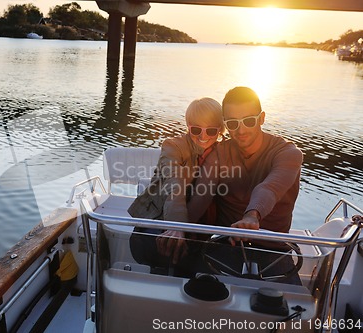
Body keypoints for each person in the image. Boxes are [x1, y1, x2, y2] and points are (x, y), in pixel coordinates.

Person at [180, 86, 304, 283]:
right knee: (194, 292)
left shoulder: (288, 154)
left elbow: (269, 188)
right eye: (232, 123)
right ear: (225, 125)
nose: (241, 130)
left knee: (291, 308)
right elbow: (201, 197)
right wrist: (178, 229)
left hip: (273, 249)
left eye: (249, 121)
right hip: (225, 244)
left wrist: (252, 215)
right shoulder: (219, 153)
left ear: (261, 118)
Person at [128, 97, 224, 274]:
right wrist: (177, 227)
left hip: (199, 230)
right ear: (187, 125)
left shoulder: (223, 152)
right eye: (196, 129)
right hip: (158, 221)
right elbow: (174, 184)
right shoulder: (173, 146)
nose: (203, 136)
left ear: (220, 130)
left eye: (210, 130)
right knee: (170, 249)